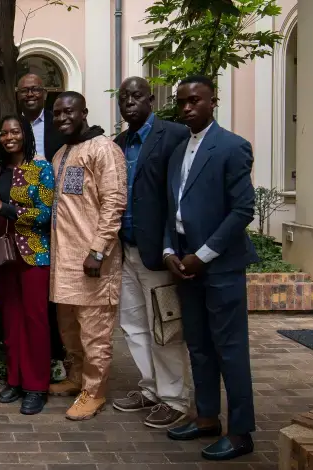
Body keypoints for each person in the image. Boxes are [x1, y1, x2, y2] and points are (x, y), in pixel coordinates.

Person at [162, 75, 258, 461]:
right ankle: (206, 417)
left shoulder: (232, 147)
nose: (186, 107)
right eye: (181, 102)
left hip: (219, 266)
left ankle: (240, 432)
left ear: (212, 101)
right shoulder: (178, 149)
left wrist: (202, 255)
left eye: (194, 100)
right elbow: (175, 208)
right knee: (198, 346)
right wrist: (170, 250)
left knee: (230, 349)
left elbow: (243, 210)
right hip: (184, 264)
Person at [110, 77, 192, 429]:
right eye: (123, 97)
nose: (129, 101)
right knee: (132, 324)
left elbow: (181, 192)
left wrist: (172, 244)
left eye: (136, 95)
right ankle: (151, 388)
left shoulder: (173, 136)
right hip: (125, 247)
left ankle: (175, 398)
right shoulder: (119, 142)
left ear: (151, 100)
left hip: (158, 251)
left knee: (164, 326)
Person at [46, 91, 127, 421]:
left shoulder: (104, 149)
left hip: (93, 263)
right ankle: (76, 377)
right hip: (63, 262)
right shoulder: (61, 153)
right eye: (57, 113)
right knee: (69, 330)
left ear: (84, 113)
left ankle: (94, 392)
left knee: (95, 334)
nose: (63, 117)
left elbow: (114, 203)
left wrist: (98, 250)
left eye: (69, 111)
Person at [0, 115, 55, 415]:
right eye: (4, 132)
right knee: (11, 320)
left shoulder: (41, 168)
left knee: (36, 320)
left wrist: (5, 208)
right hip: (3, 255)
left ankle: (37, 386)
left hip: (33, 254)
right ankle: (15, 379)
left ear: (25, 134)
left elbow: (45, 214)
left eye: (15, 131)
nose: (9, 136)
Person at [17, 73, 67, 382]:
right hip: (25, 221)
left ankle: (58, 355)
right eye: (25, 90)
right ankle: (35, 356)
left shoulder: (58, 124)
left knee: (54, 293)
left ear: (45, 93)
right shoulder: (12, 124)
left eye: (36, 89)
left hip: (61, 216)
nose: (31, 94)